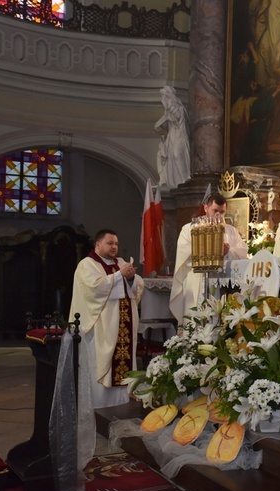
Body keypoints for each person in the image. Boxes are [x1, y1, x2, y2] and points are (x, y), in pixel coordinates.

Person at [69, 229, 144, 408]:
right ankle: (100, 407)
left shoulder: (120, 262)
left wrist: (132, 278)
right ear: (98, 244)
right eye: (110, 243)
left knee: (123, 364)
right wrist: (119, 275)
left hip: (122, 327)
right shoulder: (87, 265)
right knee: (101, 365)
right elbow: (94, 289)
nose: (114, 247)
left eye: (116, 243)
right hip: (101, 329)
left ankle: (122, 403)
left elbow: (137, 287)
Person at [170, 193, 248, 325]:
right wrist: (209, 248)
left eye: (222, 212)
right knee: (195, 320)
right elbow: (183, 252)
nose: (219, 215)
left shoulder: (231, 231)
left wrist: (228, 252)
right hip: (197, 280)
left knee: (219, 320)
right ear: (206, 208)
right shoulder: (189, 229)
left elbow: (243, 254)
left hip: (222, 283)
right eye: (215, 210)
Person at [155, 86, 191, 190]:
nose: (163, 99)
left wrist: (170, 108)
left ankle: (185, 179)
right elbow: (160, 126)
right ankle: (176, 181)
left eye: (165, 96)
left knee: (177, 155)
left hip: (179, 134)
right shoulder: (168, 112)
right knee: (171, 157)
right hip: (172, 136)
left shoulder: (178, 108)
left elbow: (177, 118)